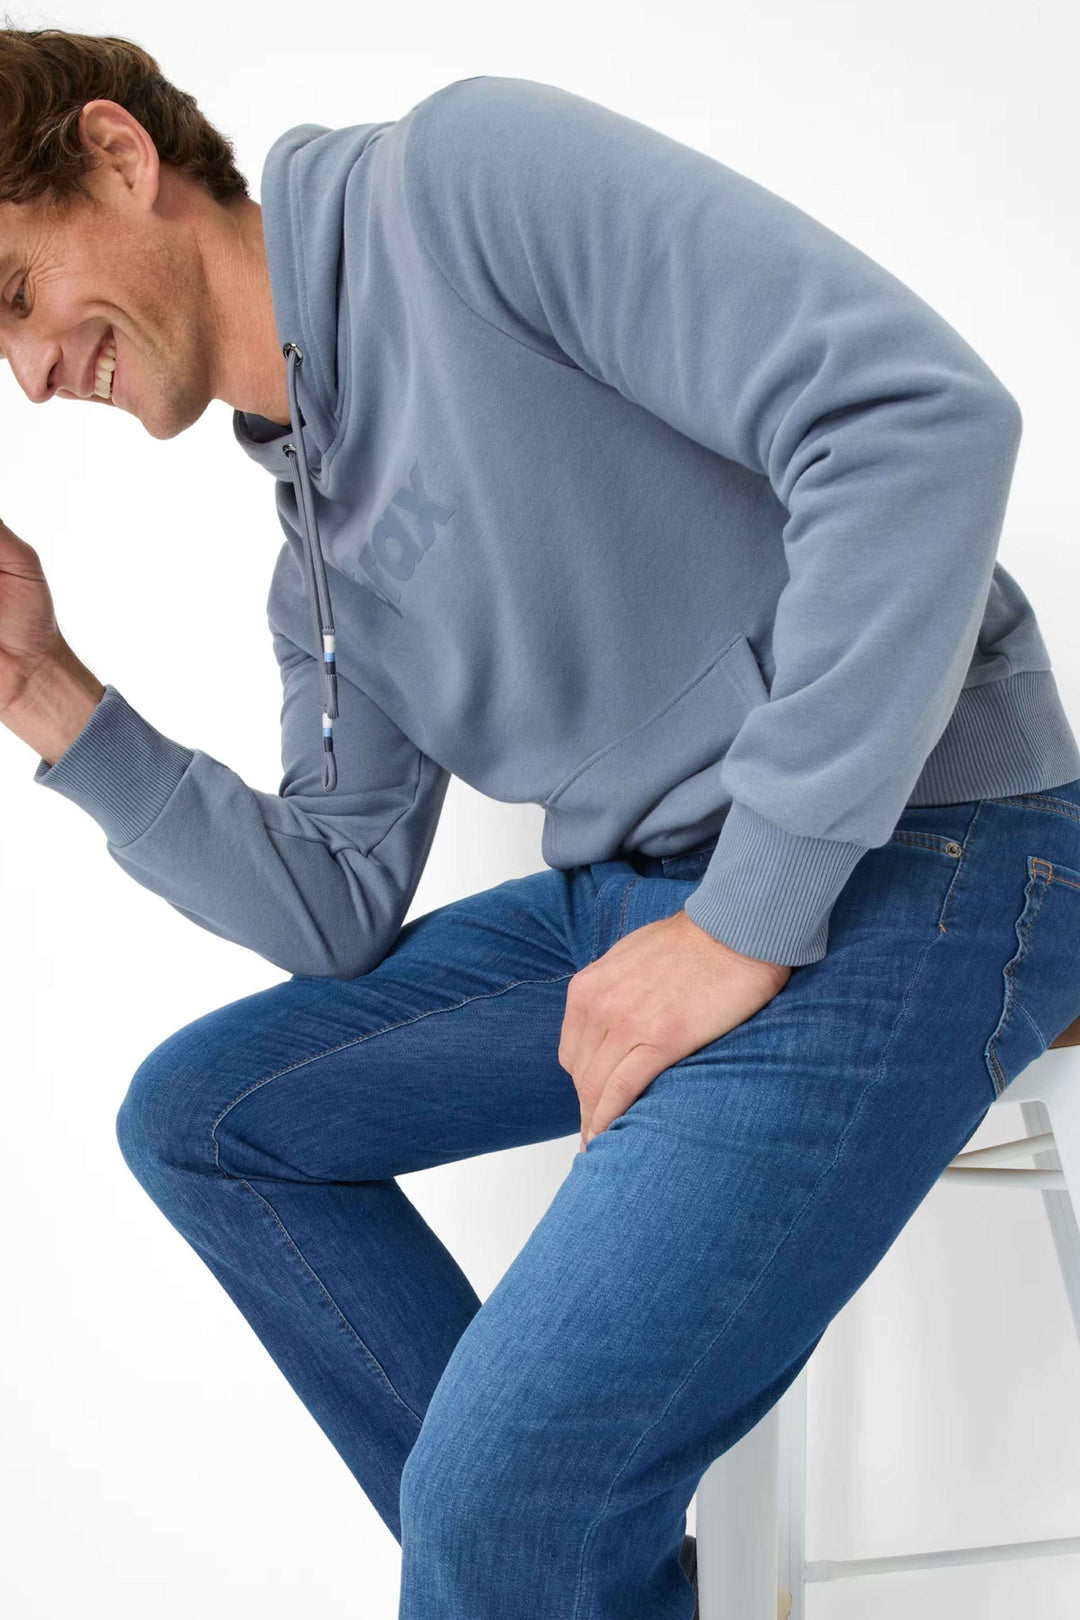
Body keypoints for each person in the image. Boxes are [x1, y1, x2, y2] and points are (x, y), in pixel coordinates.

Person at [3, 27, 1080, 1620]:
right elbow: (333, 906)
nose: (30, 379)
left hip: (935, 844)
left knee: (502, 1495)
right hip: (649, 893)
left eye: (16, 296)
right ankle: (551, 1567)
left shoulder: (458, 183)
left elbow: (920, 423)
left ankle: (523, 1541)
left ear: (117, 155)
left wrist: (739, 923)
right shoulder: (316, 545)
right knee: (208, 1121)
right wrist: (47, 695)